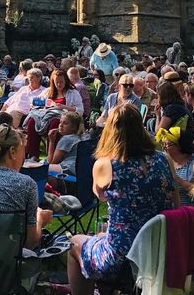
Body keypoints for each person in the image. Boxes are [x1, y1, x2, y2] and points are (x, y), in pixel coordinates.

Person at [69, 105, 177, 295]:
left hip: (123, 256)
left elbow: (100, 196)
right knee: (100, 240)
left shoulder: (105, 165)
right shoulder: (164, 159)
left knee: (75, 243)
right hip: (159, 251)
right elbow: (175, 204)